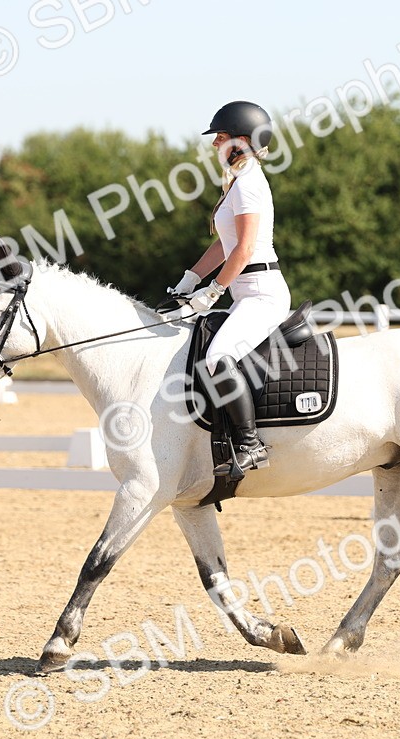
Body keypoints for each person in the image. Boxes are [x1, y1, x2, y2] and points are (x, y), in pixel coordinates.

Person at [167, 100, 291, 477]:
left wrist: (213, 290)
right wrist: (190, 280)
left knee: (218, 357)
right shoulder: (238, 180)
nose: (214, 144)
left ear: (241, 140)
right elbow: (223, 244)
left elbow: (245, 248)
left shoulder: (249, 183)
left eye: (220, 137)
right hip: (245, 291)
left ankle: (251, 444)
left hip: (262, 293)